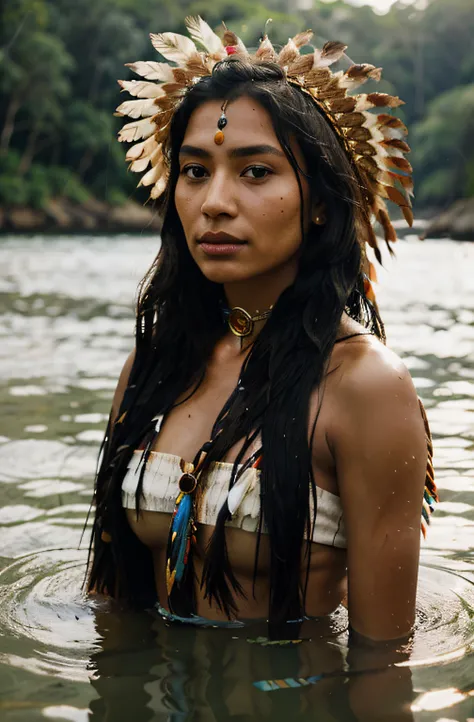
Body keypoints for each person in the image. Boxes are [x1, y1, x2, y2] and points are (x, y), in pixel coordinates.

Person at [86, 17, 437, 647]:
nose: (215, 201)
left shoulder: (364, 386)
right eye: (195, 171)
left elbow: (384, 663)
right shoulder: (157, 360)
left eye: (255, 172)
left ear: (324, 201)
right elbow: (109, 609)